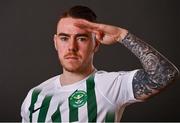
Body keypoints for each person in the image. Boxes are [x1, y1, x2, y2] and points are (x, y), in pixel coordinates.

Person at [21, 5, 179, 122]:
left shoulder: (109, 86)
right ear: (55, 42)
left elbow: (165, 75)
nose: (71, 47)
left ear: (96, 44)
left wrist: (120, 35)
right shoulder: (35, 96)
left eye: (81, 38)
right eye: (64, 38)